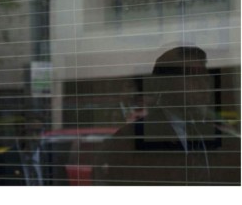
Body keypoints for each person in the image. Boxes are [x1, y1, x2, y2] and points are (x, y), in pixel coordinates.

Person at [93, 45, 240, 185]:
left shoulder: (227, 141)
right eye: (191, 75)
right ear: (165, 84)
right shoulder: (128, 141)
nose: (203, 83)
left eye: (204, 74)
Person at [0, 114, 46, 185]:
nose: (33, 137)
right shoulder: (0, 163)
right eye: (29, 132)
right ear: (19, 133)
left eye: (38, 132)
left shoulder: (51, 160)